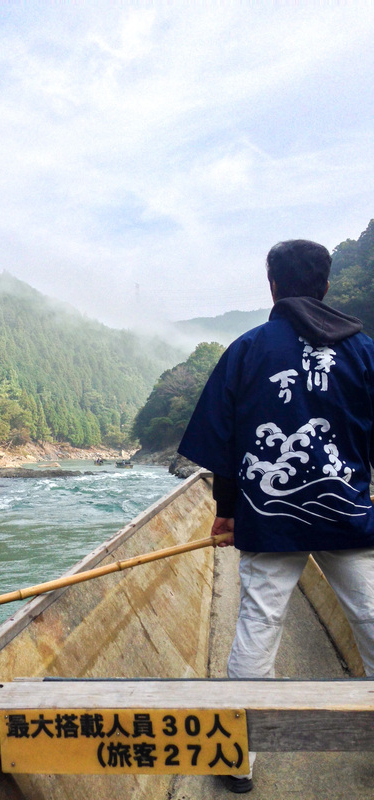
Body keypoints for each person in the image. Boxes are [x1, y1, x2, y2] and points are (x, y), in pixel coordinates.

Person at [178, 239, 374, 794]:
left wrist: (226, 514)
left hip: (269, 517)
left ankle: (238, 761)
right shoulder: (364, 352)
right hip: (348, 515)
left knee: (258, 628)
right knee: (372, 620)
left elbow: (226, 446)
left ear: (272, 286)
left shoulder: (247, 350)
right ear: (327, 284)